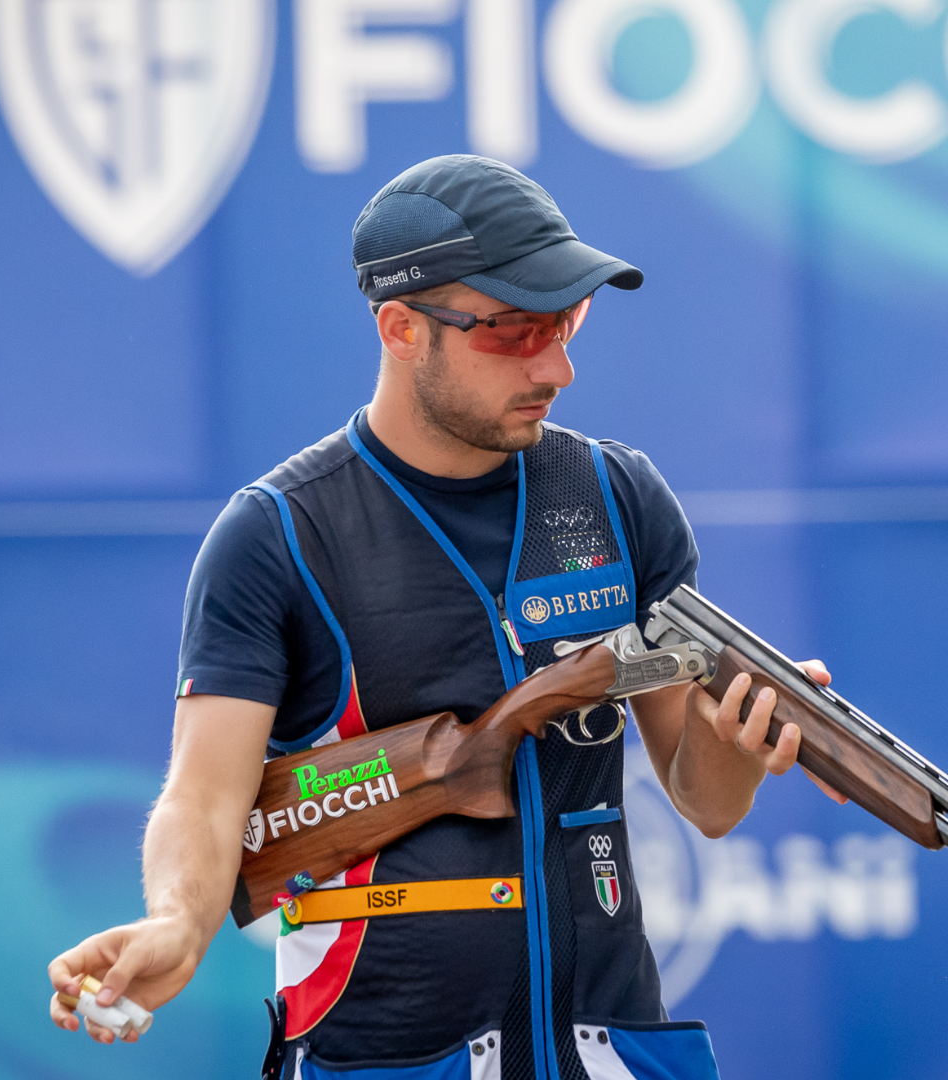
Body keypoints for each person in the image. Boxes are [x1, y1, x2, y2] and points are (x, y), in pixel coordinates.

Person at [46, 154, 840, 1079]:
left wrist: (737, 748)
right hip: (387, 1059)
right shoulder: (278, 534)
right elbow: (203, 793)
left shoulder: (619, 497)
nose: (560, 365)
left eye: (568, 322)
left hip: (616, 1052)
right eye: (514, 330)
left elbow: (704, 800)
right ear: (401, 328)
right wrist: (179, 921)